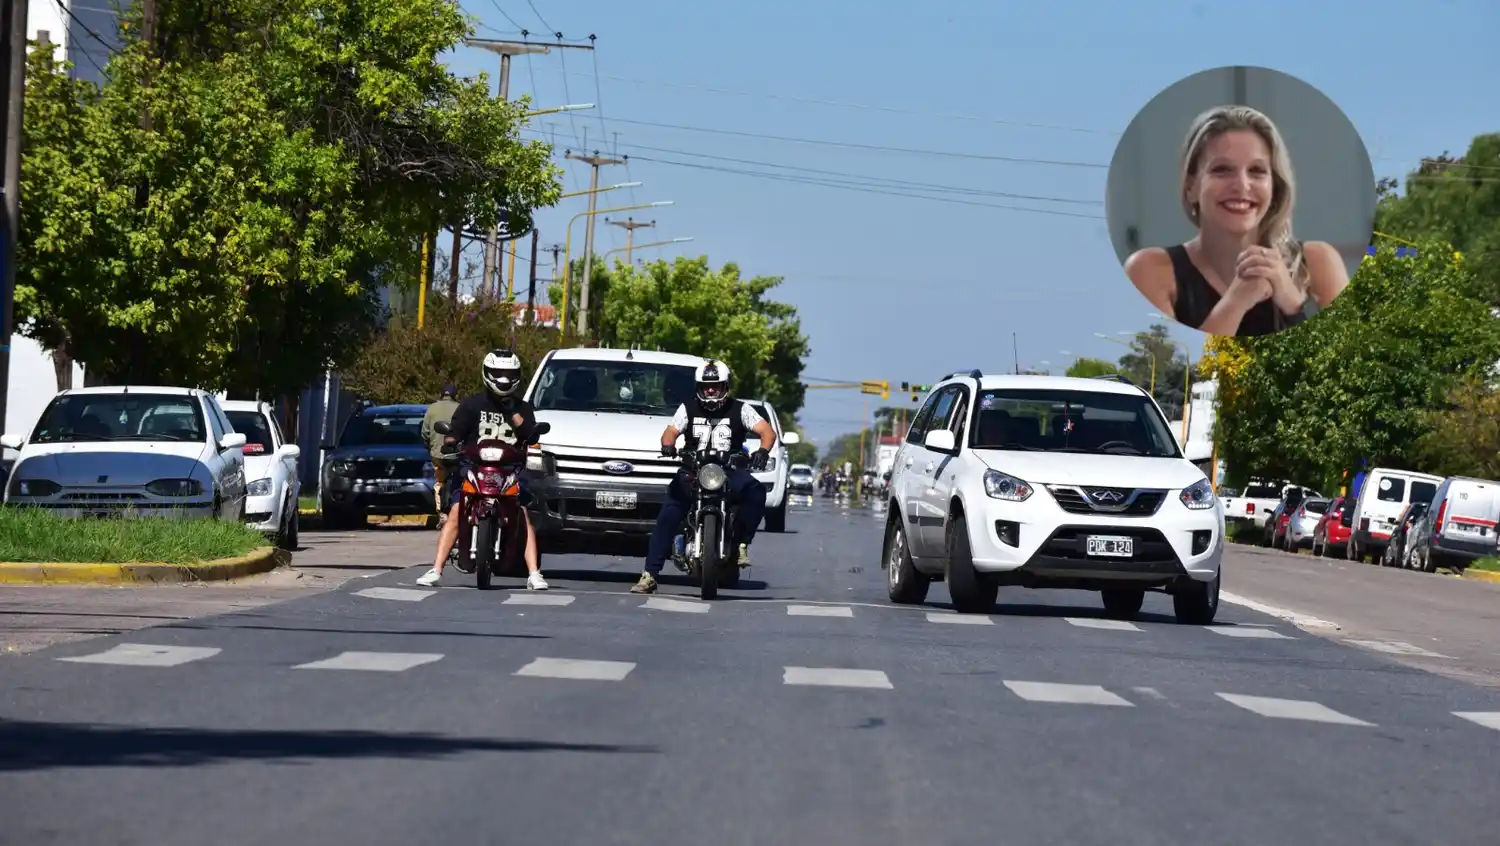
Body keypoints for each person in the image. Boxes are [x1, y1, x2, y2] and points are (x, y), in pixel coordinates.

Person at [1124, 105, 1349, 337]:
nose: (1242, 185)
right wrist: (1236, 302)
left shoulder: (1317, 262)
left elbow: (1347, 356)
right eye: (1222, 170)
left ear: (1275, 187)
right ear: (1191, 187)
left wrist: (1292, 303)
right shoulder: (1150, 270)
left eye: (1257, 170)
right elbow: (1174, 359)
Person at [632, 359, 775, 595]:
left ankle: (741, 543)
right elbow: (671, 431)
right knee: (668, 515)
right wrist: (668, 444)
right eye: (706, 386)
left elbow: (767, 432)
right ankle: (649, 575)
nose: (710, 390)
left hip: (729, 471)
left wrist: (762, 451)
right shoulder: (687, 408)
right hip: (693, 470)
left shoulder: (741, 409)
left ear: (725, 386)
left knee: (756, 491)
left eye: (715, 386)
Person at [416, 349, 549, 590]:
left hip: (511, 471)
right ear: (487, 373)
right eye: (498, 373)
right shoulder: (472, 405)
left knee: (522, 513)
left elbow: (530, 436)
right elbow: (455, 432)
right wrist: (450, 441)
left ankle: (534, 573)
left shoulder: (523, 408)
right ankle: (436, 569)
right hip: (474, 468)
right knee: (456, 510)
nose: (504, 379)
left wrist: (511, 411)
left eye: (509, 374)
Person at [421, 385, 460, 522]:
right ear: (455, 395)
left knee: (439, 482)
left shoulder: (432, 408)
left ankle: (442, 513)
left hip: (437, 454)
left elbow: (425, 433)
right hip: (457, 453)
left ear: (441, 394)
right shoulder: (460, 408)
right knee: (457, 481)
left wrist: (430, 446)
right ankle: (455, 509)